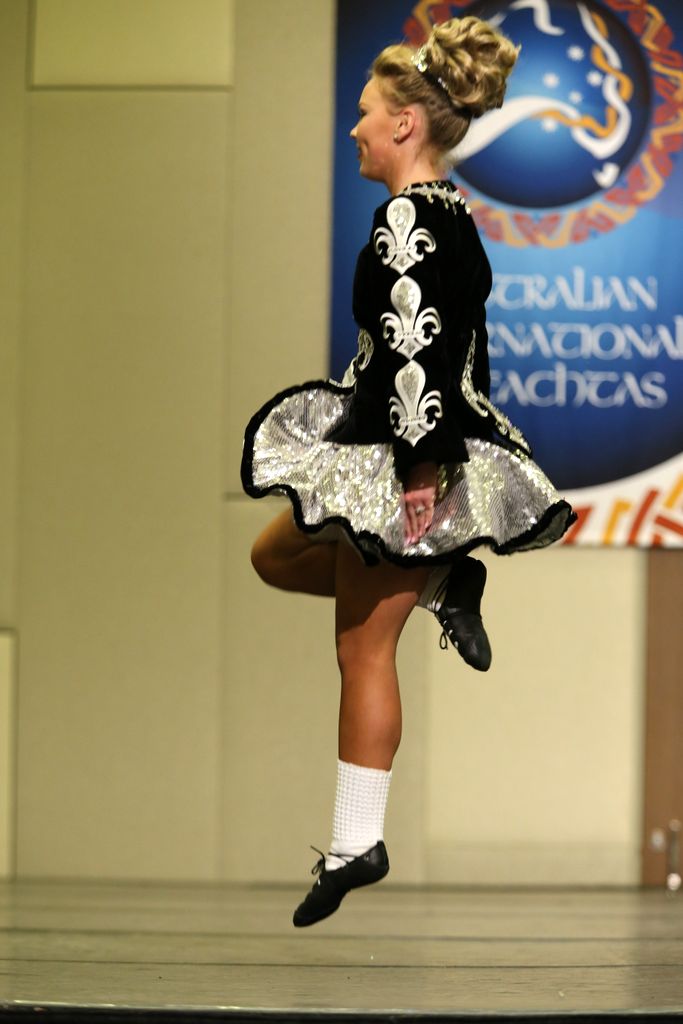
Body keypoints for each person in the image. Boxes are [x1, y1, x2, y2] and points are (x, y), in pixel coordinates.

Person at [241, 16, 575, 927]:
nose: (352, 127)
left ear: (403, 124)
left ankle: (356, 842)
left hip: (402, 456)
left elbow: (420, 348)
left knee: (361, 649)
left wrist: (419, 470)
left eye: (364, 111)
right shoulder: (449, 214)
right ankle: (441, 582)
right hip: (399, 442)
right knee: (273, 555)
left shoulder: (405, 218)